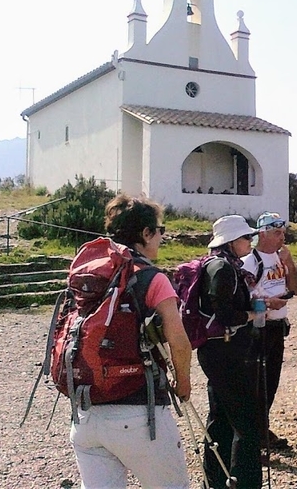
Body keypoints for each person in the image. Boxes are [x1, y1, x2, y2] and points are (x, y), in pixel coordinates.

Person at [70, 194, 192, 489]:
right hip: (139, 412)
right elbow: (179, 342)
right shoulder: (151, 277)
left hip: (86, 414)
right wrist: (183, 383)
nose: (162, 238)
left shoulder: (90, 272)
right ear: (146, 233)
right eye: (160, 231)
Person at [197, 215, 264, 488]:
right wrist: (252, 313)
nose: (251, 242)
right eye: (248, 237)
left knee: (220, 419)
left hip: (215, 352)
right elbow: (225, 313)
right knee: (246, 423)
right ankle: (246, 483)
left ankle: (214, 479)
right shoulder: (224, 269)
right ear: (234, 241)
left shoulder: (215, 264)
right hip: (228, 354)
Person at [241, 212, 297, 450]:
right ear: (262, 233)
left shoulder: (281, 258)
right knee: (258, 384)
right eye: (277, 232)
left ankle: (261, 430)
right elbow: (244, 297)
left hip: (278, 327)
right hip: (259, 327)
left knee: (272, 382)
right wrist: (267, 303)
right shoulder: (250, 261)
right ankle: (253, 439)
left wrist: (288, 263)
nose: (282, 237)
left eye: (283, 232)